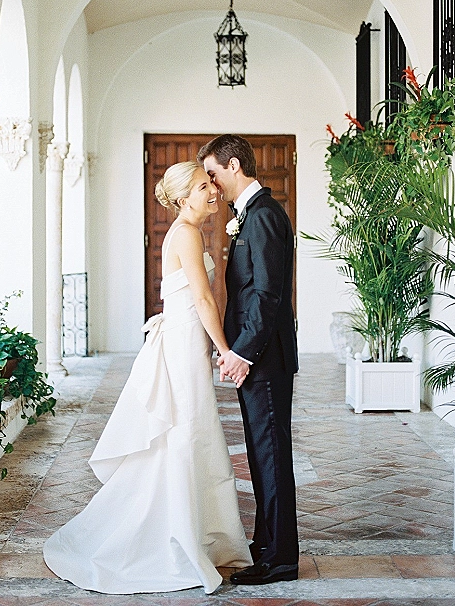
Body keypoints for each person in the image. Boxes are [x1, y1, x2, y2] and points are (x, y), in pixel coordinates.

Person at [43, 161, 251, 594]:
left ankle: (196, 533)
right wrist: (225, 349)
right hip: (183, 344)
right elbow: (202, 298)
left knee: (188, 433)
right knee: (186, 431)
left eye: (210, 183)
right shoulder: (187, 233)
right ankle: (180, 539)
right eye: (202, 187)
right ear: (183, 199)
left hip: (185, 339)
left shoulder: (186, 230)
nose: (212, 190)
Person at [198, 135, 299, 586]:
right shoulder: (251, 215)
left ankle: (281, 559)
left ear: (234, 165)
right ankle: (267, 544)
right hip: (259, 356)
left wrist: (242, 353)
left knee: (271, 456)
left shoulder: (263, 217)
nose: (212, 184)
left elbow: (267, 294)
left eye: (214, 173)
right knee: (262, 455)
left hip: (266, 358)